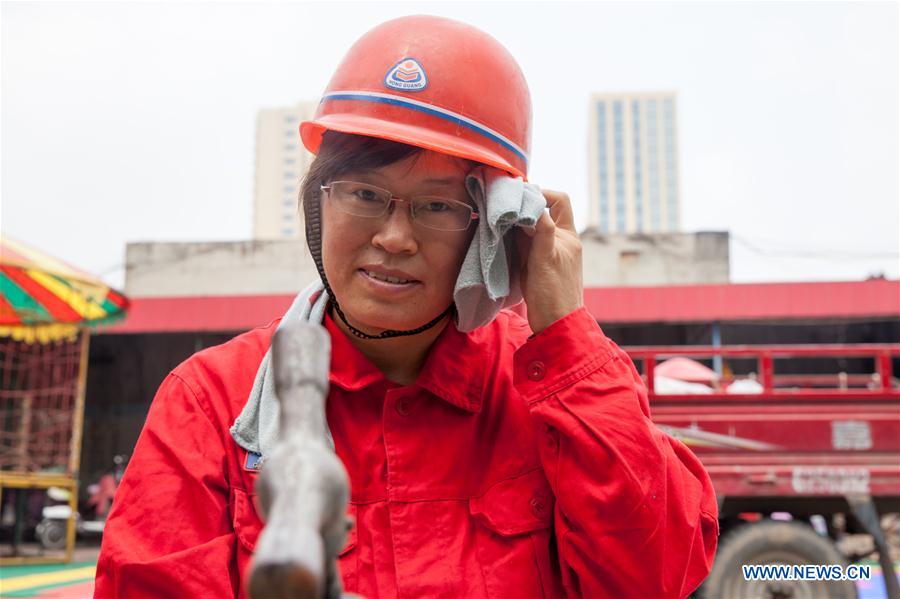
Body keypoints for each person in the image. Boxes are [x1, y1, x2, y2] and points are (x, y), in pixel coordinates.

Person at [95, 15, 718, 599]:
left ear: (493, 228)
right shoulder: (212, 405)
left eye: (438, 205)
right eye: (365, 193)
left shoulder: (549, 396)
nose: (395, 237)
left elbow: (655, 572)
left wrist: (565, 332)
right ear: (319, 203)